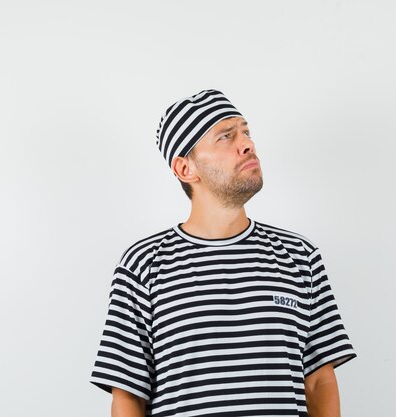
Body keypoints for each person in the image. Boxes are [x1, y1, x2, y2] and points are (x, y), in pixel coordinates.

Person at [89, 89, 357, 417]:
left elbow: (318, 381)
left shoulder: (299, 257)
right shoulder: (142, 266)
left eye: (246, 132)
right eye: (225, 137)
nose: (247, 144)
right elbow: (128, 395)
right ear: (186, 168)